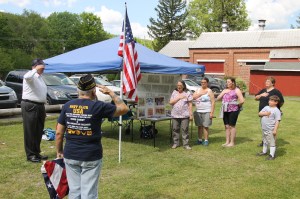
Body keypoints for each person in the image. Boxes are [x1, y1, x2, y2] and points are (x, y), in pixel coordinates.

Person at [55, 74, 128, 198]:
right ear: (94, 91)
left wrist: (59, 151)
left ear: (78, 90)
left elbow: (58, 132)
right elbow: (123, 108)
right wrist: (110, 92)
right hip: (91, 155)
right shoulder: (98, 106)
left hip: (71, 153)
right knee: (89, 193)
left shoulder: (67, 106)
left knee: (74, 191)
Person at [21, 58, 48, 163]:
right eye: (42, 66)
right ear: (35, 66)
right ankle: (30, 154)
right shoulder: (30, 75)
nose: (43, 68)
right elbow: (27, 76)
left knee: (38, 130)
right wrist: (35, 69)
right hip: (30, 104)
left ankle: (36, 152)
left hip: (40, 105)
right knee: (30, 130)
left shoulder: (39, 77)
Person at [255, 76, 284, 146]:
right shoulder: (263, 90)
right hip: (263, 113)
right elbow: (256, 98)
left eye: (268, 82)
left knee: (271, 129)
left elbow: (282, 102)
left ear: (273, 83)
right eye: (266, 81)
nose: (266, 82)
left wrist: (275, 109)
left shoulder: (276, 92)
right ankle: (264, 141)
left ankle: (273, 144)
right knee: (264, 127)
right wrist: (261, 95)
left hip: (271, 114)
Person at [217, 77, 245, 147]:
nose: (227, 83)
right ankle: (227, 141)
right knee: (226, 126)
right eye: (227, 82)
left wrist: (237, 106)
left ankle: (232, 142)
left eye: (229, 82)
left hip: (233, 110)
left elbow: (242, 100)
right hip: (225, 109)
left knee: (232, 126)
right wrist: (223, 92)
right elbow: (218, 98)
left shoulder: (237, 90)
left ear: (233, 82)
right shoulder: (225, 90)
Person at [169, 80, 193, 150]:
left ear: (183, 86)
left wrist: (191, 114)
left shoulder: (187, 93)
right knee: (175, 129)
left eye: (180, 85)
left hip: (185, 115)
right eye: (178, 85)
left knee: (185, 129)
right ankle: (176, 143)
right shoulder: (174, 92)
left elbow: (190, 104)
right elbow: (171, 102)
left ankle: (186, 144)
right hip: (175, 115)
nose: (178, 87)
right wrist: (179, 98)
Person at [256, 95, 281, 160]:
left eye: (271, 101)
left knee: (272, 142)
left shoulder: (276, 110)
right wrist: (266, 113)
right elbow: (259, 113)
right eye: (269, 100)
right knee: (265, 140)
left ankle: (272, 155)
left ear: (276, 102)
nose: (269, 101)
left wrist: (275, 130)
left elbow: (277, 121)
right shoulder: (266, 107)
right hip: (264, 128)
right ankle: (264, 151)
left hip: (271, 129)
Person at [192, 77, 215, 146]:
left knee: (205, 126)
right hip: (198, 111)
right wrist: (201, 94)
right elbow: (193, 97)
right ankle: (199, 139)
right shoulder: (198, 90)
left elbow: (213, 102)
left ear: (207, 83)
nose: (203, 84)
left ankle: (205, 140)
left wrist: (211, 112)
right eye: (202, 82)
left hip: (207, 110)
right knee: (199, 126)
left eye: (204, 82)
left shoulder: (209, 91)